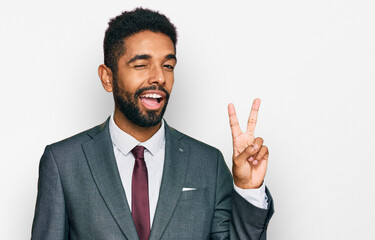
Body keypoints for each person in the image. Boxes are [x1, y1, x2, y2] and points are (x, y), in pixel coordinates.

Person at [31, 8, 274, 240]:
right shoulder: (62, 162)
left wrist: (248, 189)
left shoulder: (208, 163)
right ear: (108, 77)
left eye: (168, 66)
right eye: (141, 65)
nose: (159, 77)